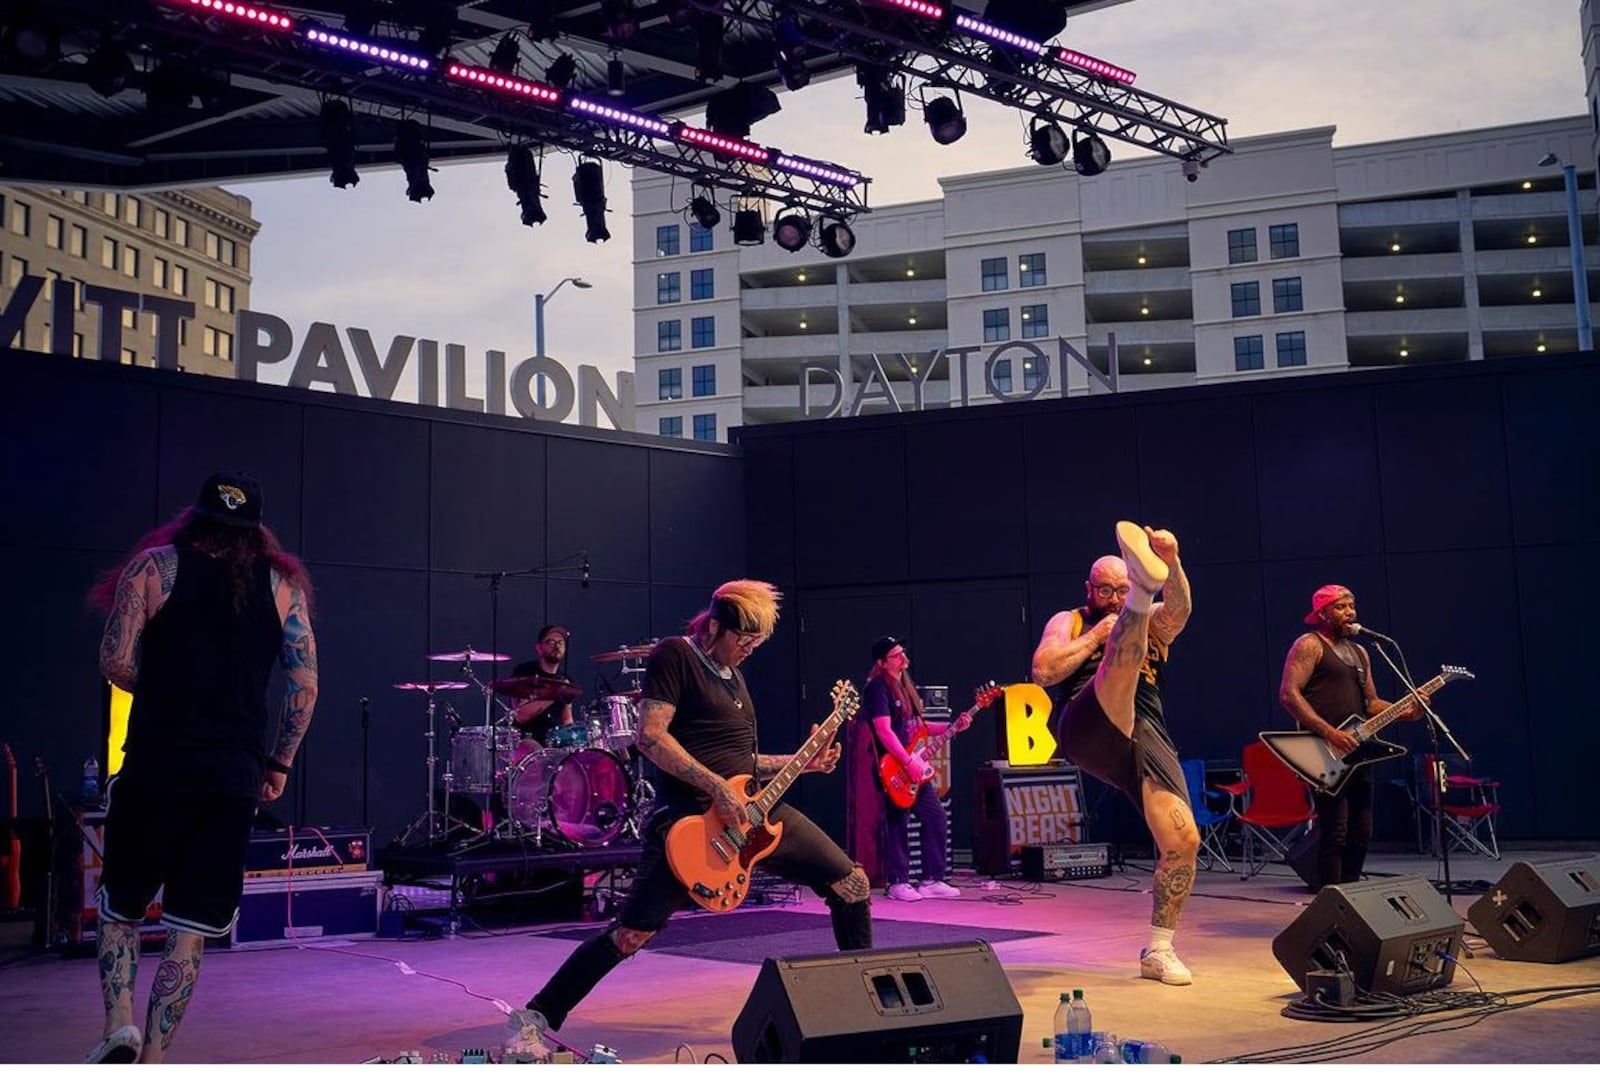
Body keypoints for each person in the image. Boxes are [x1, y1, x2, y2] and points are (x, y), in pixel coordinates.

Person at [503, 580, 871, 1060]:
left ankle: (868, 1008)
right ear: (716, 625)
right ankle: (535, 1017)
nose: (749, 650)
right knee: (630, 934)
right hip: (693, 821)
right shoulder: (675, 655)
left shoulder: (733, 675)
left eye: (757, 643)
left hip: (753, 814)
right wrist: (715, 787)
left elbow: (741, 761)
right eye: (744, 639)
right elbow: (651, 738)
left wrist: (800, 763)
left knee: (852, 884)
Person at [86, 472, 318, 1063]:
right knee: (191, 925)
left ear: (195, 517)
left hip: (157, 763)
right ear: (258, 531)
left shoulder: (154, 567)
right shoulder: (283, 586)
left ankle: (120, 1025)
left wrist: (167, 692)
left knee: (121, 906)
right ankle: (156, 1056)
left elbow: (114, 660)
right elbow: (304, 685)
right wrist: (280, 762)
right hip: (233, 775)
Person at [1031, 523, 1196, 986]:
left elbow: (1180, 611)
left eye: (1122, 589)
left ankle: (1159, 950)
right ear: (1090, 589)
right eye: (1106, 589)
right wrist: (1097, 634)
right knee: (1118, 667)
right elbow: (1043, 670)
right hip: (1088, 721)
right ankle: (1143, 597)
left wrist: (1174, 560)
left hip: (1145, 731)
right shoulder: (1071, 620)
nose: (1110, 595)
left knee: (1183, 841)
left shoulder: (1155, 627)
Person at [1278, 585, 1424, 889]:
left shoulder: (1360, 652)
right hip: (1323, 751)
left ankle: (1353, 897)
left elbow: (1371, 703)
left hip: (1358, 752)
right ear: (1323, 613)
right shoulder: (1310, 644)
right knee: (1336, 830)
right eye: (1342, 607)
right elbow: (1289, 695)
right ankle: (1331, 900)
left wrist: (1406, 712)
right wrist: (1329, 732)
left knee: (1362, 830)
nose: (1351, 613)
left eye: (1352, 606)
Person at [864, 637, 969, 901]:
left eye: (902, 653)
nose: (903, 658)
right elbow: (884, 731)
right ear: (881, 663)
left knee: (935, 818)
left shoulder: (905, 686)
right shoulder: (878, 688)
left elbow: (918, 726)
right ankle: (898, 882)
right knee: (898, 822)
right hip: (893, 766)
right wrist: (908, 762)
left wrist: (951, 727)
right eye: (896, 655)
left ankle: (931, 879)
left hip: (912, 766)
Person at [507, 624, 577, 745]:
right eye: (551, 642)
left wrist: (573, 736)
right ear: (539, 648)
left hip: (555, 743)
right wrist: (555, 692)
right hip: (527, 742)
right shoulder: (525, 672)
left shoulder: (566, 679)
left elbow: (567, 718)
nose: (557, 646)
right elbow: (520, 715)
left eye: (561, 642)